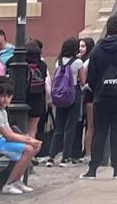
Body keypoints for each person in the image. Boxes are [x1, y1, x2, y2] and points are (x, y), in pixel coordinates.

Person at [81, 14, 117, 179]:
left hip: (101, 96)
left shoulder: (97, 49)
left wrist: (97, 88)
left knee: (99, 132)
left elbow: (91, 75)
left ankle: (93, 168)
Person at [0, 78, 42, 195]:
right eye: (2, 96)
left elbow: (9, 133)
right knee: (28, 149)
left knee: (34, 147)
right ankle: (9, 183)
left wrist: (30, 140)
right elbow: (8, 136)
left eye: (8, 96)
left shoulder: (2, 111)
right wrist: (29, 140)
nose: (5, 99)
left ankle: (17, 180)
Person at [46, 37, 84, 166]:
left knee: (59, 126)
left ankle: (51, 156)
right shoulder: (78, 62)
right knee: (70, 127)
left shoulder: (58, 61)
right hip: (73, 93)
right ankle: (66, 157)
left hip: (60, 94)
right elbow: (83, 81)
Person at [73, 35, 95, 162]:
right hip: (83, 95)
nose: (81, 49)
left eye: (83, 46)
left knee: (89, 125)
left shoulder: (87, 61)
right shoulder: (78, 60)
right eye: (80, 46)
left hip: (86, 96)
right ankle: (85, 152)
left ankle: (86, 151)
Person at [23, 39, 48, 136]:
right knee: (33, 129)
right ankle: (32, 149)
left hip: (24, 98)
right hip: (38, 99)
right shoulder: (43, 65)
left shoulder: (22, 64)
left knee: (21, 129)